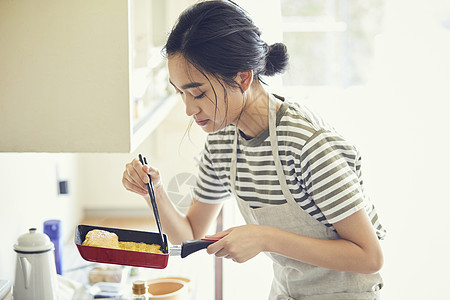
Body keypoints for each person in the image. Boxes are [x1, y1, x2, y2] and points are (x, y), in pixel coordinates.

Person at [122, 1, 386, 298]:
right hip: (286, 292)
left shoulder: (306, 144)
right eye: (180, 93)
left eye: (198, 92)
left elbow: (369, 256)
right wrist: (154, 193)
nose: (188, 108)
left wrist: (265, 237)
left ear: (242, 77)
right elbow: (191, 235)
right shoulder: (221, 142)